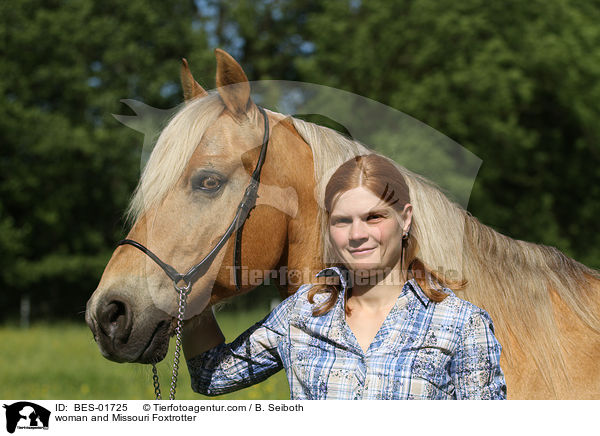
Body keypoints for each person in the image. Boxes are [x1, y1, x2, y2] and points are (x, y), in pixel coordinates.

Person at [184, 154, 507, 400]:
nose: (357, 234)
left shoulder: (462, 324)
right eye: (342, 221)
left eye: (373, 217)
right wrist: (188, 289)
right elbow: (212, 376)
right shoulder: (301, 312)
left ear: (405, 219)